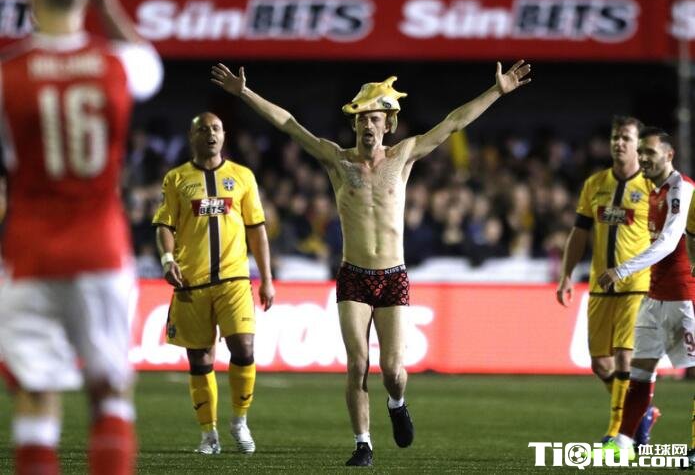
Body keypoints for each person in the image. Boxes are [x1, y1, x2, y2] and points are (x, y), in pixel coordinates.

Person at [211, 60, 531, 466]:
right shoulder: (337, 160)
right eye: (362, 117)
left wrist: (496, 92)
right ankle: (363, 443)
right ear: (354, 123)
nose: (367, 124)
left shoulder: (404, 155)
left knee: (393, 370)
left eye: (375, 117)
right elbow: (289, 124)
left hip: (393, 275)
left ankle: (396, 402)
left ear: (388, 123)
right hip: (353, 276)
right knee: (357, 364)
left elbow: (453, 123)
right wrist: (244, 93)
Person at [0, 0, 163, 475]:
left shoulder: (9, 75)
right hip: (101, 248)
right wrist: (109, 4)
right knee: (110, 391)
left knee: (35, 396)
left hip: (29, 252)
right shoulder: (118, 64)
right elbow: (151, 66)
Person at [152, 112, 275, 455]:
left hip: (234, 279)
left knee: (244, 348)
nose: (211, 133)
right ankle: (209, 434)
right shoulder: (177, 178)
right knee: (200, 359)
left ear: (224, 135)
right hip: (192, 282)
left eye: (217, 128)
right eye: (203, 129)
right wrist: (167, 259)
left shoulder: (243, 176)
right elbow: (164, 225)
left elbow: (257, 230)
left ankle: (240, 420)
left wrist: (267, 279)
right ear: (192, 136)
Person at [555, 116, 660, 444]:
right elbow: (579, 232)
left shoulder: (652, 187)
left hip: (637, 285)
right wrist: (566, 275)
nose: (619, 143)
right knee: (601, 364)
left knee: (625, 356)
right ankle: (642, 411)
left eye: (626, 138)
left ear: (638, 146)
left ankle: (618, 430)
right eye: (616, 137)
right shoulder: (594, 184)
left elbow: (666, 237)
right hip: (601, 286)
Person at [596, 127, 695, 462]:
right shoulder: (653, 193)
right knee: (640, 373)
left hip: (684, 296)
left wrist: (621, 270)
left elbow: (669, 242)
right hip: (654, 298)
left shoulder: (682, 188)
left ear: (669, 154)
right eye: (641, 152)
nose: (643, 158)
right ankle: (624, 444)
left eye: (649, 152)